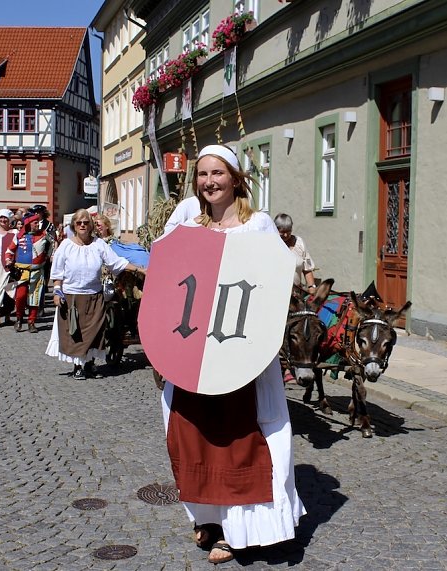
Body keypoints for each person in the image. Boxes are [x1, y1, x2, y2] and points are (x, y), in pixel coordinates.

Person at [158, 144, 305, 565]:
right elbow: (170, 281)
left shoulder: (258, 225)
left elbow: (277, 284)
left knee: (243, 438)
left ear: (236, 178)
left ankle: (241, 530)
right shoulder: (191, 226)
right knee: (192, 433)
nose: (209, 182)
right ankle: (210, 516)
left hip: (244, 354)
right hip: (196, 354)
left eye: (217, 173)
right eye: (202, 175)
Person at [49, 209, 145, 380]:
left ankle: (89, 364)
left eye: (86, 222)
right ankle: (78, 366)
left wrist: (141, 269)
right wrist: (57, 291)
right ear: (74, 226)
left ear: (91, 225)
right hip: (72, 296)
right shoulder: (66, 245)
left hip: (94, 295)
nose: (83, 225)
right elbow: (57, 273)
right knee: (75, 332)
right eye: (79, 223)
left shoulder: (99, 245)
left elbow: (116, 262)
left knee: (95, 332)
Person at [4, 212, 49, 333]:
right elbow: (9, 250)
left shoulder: (44, 235)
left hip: (37, 271)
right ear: (29, 224)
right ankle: (19, 318)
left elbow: (52, 247)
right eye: (35, 223)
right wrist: (8, 259)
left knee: (35, 298)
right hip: (21, 272)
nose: (38, 224)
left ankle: (31, 322)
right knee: (20, 296)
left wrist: (50, 257)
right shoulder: (19, 236)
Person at [273, 213, 317, 292]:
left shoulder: (299, 242)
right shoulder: (271, 244)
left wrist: (311, 287)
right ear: (276, 229)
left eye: (288, 231)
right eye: (282, 232)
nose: (286, 235)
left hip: (296, 293)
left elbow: (307, 269)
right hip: (276, 292)